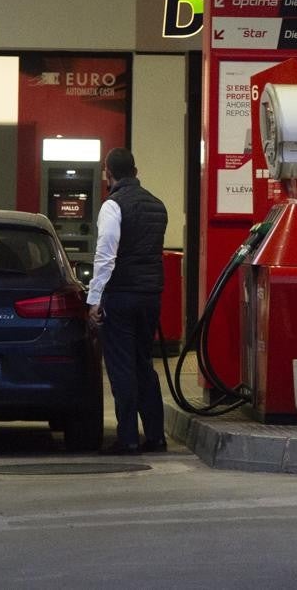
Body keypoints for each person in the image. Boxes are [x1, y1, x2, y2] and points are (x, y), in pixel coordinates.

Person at [87, 147, 169, 454]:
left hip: (121, 295)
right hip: (150, 297)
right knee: (143, 364)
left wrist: (94, 299)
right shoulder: (157, 205)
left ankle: (128, 438)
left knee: (121, 367)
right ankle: (156, 436)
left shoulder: (113, 206)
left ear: (108, 173)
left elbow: (106, 256)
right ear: (136, 171)